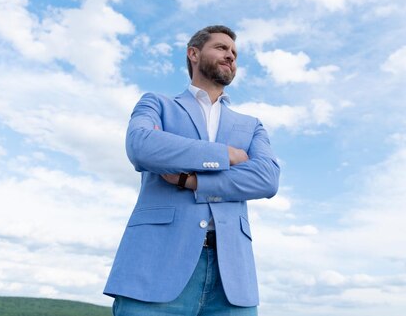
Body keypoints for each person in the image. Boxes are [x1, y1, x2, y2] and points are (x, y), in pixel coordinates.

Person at [104, 25, 280, 315]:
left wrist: (193, 181)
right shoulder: (157, 104)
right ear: (193, 53)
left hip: (232, 280)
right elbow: (142, 147)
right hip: (155, 268)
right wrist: (226, 154)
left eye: (234, 53)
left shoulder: (252, 125)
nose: (230, 56)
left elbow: (267, 179)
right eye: (222, 48)